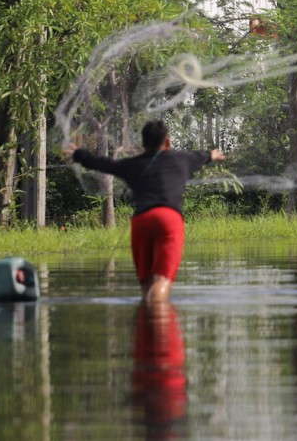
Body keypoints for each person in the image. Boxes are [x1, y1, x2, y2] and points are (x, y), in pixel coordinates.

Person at [62, 120, 225, 310]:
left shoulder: (132, 164)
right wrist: (211, 155)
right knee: (162, 281)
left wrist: (79, 154)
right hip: (168, 219)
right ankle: (158, 321)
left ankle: (147, 324)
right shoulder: (183, 158)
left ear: (144, 144)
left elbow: (103, 164)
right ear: (168, 142)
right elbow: (202, 156)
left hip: (142, 221)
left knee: (147, 283)